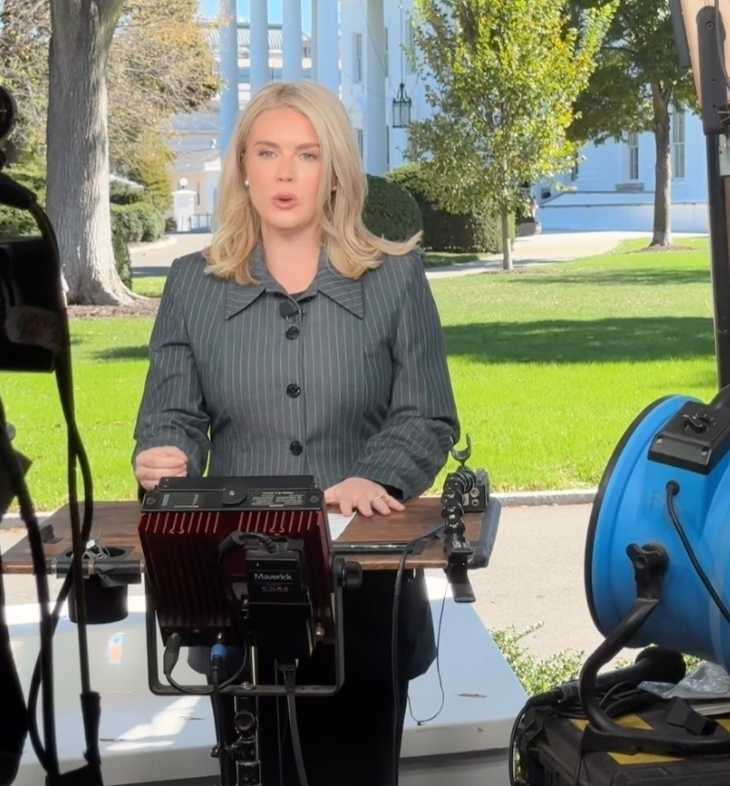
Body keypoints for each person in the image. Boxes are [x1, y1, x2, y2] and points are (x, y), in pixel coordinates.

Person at [132, 80, 459, 786]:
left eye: (307, 155)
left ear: (334, 170)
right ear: (243, 167)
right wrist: (165, 454)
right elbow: (172, 415)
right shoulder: (191, 285)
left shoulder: (395, 278)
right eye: (268, 152)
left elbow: (427, 413)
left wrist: (377, 474)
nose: (285, 173)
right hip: (236, 587)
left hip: (364, 587)